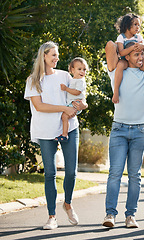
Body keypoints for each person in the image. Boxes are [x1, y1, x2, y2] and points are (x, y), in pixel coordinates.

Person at [102, 39, 144, 228]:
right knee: (114, 173)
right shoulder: (116, 70)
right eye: (136, 54)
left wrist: (140, 53)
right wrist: (128, 51)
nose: (140, 57)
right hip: (119, 130)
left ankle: (130, 215)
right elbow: (110, 45)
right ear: (127, 55)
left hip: (139, 130)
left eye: (142, 54)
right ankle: (110, 214)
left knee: (134, 175)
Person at [24, 41, 87, 230]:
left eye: (57, 54)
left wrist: (82, 106)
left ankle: (67, 203)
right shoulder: (33, 80)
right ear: (44, 55)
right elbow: (39, 106)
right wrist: (63, 108)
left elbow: (79, 97)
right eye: (53, 54)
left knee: (71, 172)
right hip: (45, 130)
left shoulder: (65, 75)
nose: (56, 58)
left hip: (69, 127)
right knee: (50, 173)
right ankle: (52, 216)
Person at [112, 13, 144, 105]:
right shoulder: (121, 37)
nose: (138, 27)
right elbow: (121, 52)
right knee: (120, 65)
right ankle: (116, 91)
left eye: (139, 25)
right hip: (125, 60)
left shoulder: (138, 37)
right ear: (128, 25)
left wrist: (142, 45)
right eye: (135, 24)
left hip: (137, 61)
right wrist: (132, 48)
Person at [56, 57, 88, 141]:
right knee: (64, 117)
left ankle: (64, 134)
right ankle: (64, 133)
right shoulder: (73, 80)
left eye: (84, 69)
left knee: (64, 116)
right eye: (79, 69)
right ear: (72, 70)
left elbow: (77, 92)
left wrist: (66, 89)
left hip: (76, 104)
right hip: (73, 103)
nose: (82, 71)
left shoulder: (81, 81)